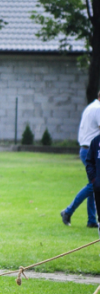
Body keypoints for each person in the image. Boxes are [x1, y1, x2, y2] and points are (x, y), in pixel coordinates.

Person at [61, 92, 100, 228]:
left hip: (86, 149)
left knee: (93, 184)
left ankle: (91, 220)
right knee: (94, 184)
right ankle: (68, 211)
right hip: (92, 151)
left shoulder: (91, 107)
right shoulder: (98, 109)